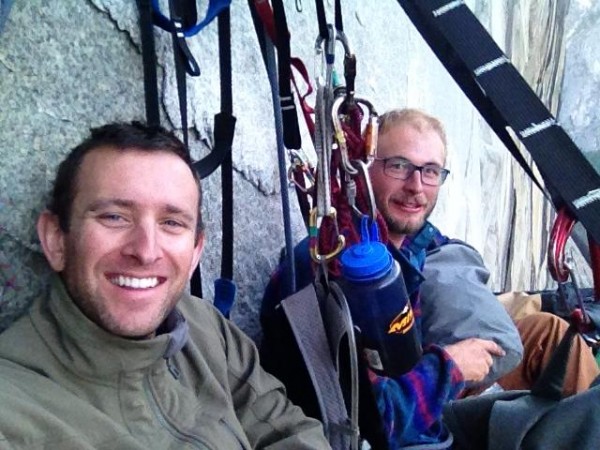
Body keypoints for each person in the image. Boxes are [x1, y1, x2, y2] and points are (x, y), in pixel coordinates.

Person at [260, 108, 599, 448]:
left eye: (430, 171)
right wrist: (450, 367)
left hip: (425, 397)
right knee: (585, 419)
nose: (416, 187)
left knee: (549, 333)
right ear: (366, 170)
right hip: (406, 432)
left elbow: (432, 245)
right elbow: (374, 424)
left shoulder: (399, 242)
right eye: (399, 166)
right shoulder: (338, 273)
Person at [0, 122, 331, 449]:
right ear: (56, 240)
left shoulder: (206, 328)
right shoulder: (16, 411)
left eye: (171, 223)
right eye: (114, 217)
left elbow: (288, 428)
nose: (145, 251)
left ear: (195, 252)